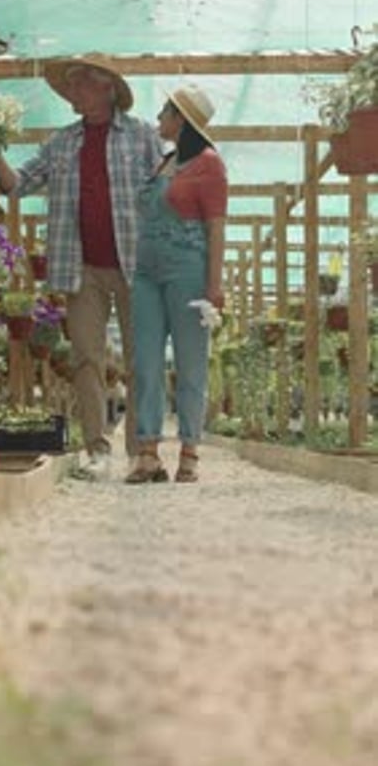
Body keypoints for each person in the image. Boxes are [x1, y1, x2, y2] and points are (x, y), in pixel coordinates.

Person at [0, 55, 161, 479]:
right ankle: (96, 451)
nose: (73, 93)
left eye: (80, 85)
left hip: (134, 264)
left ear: (105, 88)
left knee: (141, 359)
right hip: (79, 266)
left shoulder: (142, 137)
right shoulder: (61, 143)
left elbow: (165, 197)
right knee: (87, 357)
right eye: (70, 86)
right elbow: (15, 185)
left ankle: (142, 452)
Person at [125, 84, 227, 484]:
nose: (158, 120)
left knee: (190, 362)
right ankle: (147, 452)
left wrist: (214, 286)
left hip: (188, 268)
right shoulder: (163, 164)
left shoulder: (210, 164)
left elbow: (216, 228)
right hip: (146, 271)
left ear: (180, 119)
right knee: (146, 360)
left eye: (164, 113)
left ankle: (189, 451)